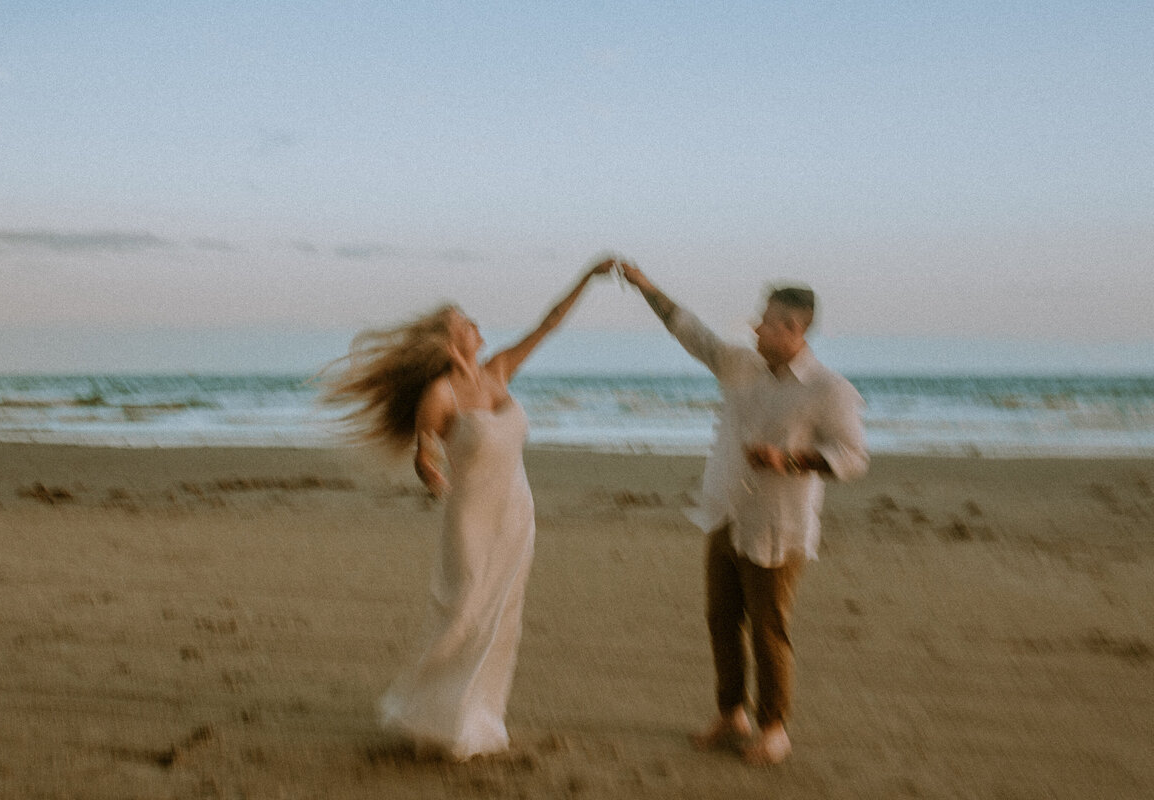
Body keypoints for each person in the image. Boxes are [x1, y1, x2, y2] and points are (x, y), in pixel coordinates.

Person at [319, 258, 614, 761]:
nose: (477, 326)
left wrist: (587, 278)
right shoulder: (440, 393)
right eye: (466, 322)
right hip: (470, 519)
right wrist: (428, 470)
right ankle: (427, 714)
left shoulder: (499, 370)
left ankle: (477, 719)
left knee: (502, 619)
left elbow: (549, 324)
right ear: (450, 339)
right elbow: (424, 450)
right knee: (460, 615)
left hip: (517, 514)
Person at [617, 260, 868, 765]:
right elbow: (689, 331)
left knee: (769, 629)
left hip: (778, 528)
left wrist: (790, 459)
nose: (755, 326)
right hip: (726, 512)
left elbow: (853, 457)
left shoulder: (828, 389)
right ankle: (731, 713)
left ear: (794, 329)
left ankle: (774, 729)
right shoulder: (741, 366)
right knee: (721, 619)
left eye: (767, 320)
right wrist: (645, 285)